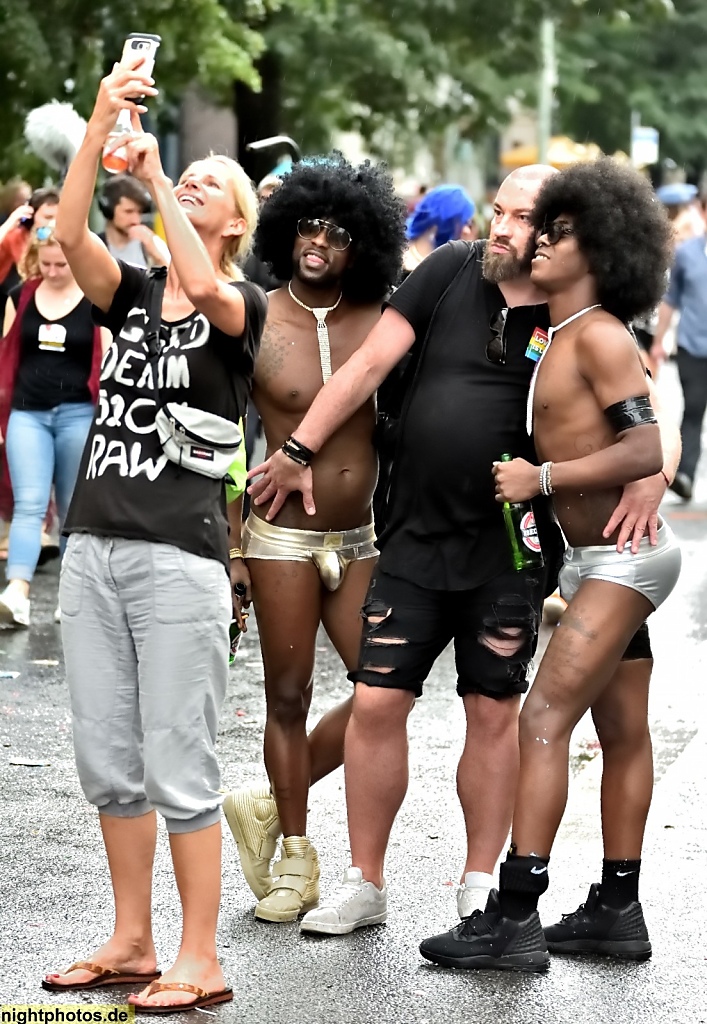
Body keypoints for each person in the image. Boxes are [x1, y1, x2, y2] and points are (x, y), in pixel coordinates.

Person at [247, 164, 680, 937]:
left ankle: (479, 887)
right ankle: (364, 882)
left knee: (493, 711)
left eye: (523, 218)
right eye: (498, 210)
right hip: (411, 534)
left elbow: (645, 415)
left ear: (558, 232)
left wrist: (652, 479)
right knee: (377, 702)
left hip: (511, 552)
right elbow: (367, 366)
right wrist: (300, 449)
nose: (503, 228)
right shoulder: (449, 270)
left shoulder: (577, 310)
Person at [42, 58, 266, 1013]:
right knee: (109, 757)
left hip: (180, 561)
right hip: (94, 544)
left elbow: (206, 284)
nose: (191, 184)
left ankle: (199, 956)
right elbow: (64, 232)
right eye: (187, 178)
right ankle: (132, 939)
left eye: (209, 185)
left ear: (235, 225)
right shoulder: (130, 296)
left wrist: (162, 171)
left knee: (180, 759)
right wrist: (101, 127)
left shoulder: (239, 310)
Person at [420, 157, 680, 971]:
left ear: (599, 249)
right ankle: (615, 908)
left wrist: (544, 479)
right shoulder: (558, 331)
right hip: (598, 561)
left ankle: (512, 914)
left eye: (557, 233)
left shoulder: (599, 333)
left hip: (621, 563)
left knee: (540, 722)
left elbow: (645, 440)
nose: (536, 242)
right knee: (623, 733)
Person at [222, 154, 406, 922]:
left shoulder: (384, 318)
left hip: (360, 539)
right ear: (284, 229)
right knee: (288, 697)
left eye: (336, 231)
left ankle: (267, 800)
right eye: (307, 225)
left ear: (361, 242)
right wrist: (231, 547)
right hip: (278, 540)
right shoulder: (257, 314)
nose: (319, 241)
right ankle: (295, 857)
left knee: (383, 689)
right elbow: (221, 435)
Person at [0, 225, 109, 627]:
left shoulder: (97, 299)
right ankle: (18, 591)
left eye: (62, 263)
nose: (53, 270)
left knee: (73, 510)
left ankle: (72, 594)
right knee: (29, 505)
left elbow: (110, 358)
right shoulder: (21, 295)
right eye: (45, 263)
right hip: (27, 412)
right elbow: (7, 353)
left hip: (79, 413)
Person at [650, 192, 707, 502]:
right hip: (693, 348)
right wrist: (659, 341)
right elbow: (671, 302)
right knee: (695, 410)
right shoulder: (687, 254)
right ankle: (684, 475)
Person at [401, 183, 475, 278]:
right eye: (463, 222)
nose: (467, 231)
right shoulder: (395, 261)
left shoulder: (458, 268)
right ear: (443, 221)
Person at [98, 173, 170, 268]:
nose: (136, 220)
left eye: (139, 212)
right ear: (109, 211)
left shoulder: (152, 243)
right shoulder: (95, 245)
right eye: (129, 212)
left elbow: (175, 280)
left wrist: (155, 254)